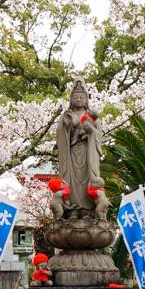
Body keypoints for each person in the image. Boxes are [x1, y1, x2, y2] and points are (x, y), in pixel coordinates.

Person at [56, 79, 102, 214]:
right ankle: (72, 209)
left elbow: (99, 134)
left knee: (89, 180)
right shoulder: (67, 115)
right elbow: (60, 134)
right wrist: (67, 125)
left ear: (86, 99)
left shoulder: (92, 116)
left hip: (88, 154)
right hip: (71, 154)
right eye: (75, 97)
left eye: (82, 97)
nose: (79, 99)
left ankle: (88, 210)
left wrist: (92, 132)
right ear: (71, 99)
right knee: (70, 180)